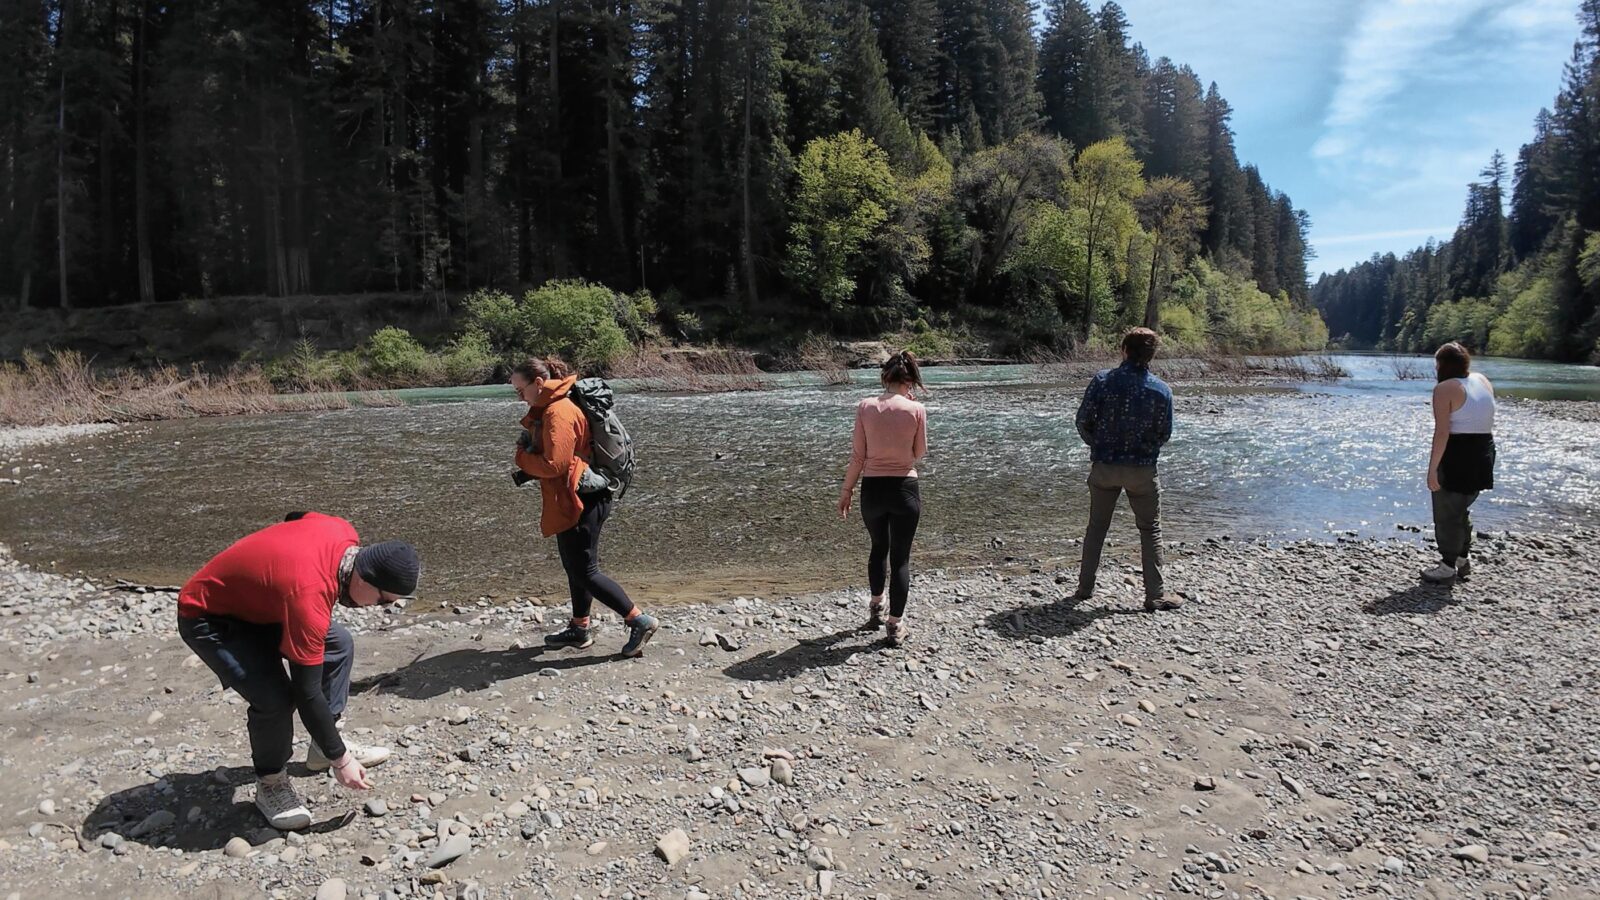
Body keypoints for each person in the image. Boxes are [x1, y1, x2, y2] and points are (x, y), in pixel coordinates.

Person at [177, 512, 416, 830]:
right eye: (383, 600)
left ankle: (323, 746)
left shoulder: (343, 532)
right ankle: (271, 784)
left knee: (339, 644)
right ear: (363, 578)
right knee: (275, 699)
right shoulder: (309, 597)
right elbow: (307, 692)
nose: (379, 607)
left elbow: (296, 517)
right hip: (209, 615)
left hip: (266, 603)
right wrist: (342, 762)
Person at [511, 357, 660, 656]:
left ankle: (638, 619)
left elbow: (555, 465)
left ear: (538, 384)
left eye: (520, 389)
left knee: (585, 571)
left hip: (582, 501)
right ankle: (580, 629)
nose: (519, 396)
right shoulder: (553, 406)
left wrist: (521, 458)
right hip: (580, 496)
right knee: (575, 568)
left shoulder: (558, 411)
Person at [1070, 327, 1183, 611]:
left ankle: (1084, 590)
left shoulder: (1102, 381)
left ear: (1124, 350)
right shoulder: (1162, 390)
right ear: (1152, 355)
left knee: (1097, 528)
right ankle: (1154, 595)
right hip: (1142, 470)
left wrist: (1098, 446)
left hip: (1105, 466)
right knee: (1150, 529)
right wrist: (1146, 450)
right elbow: (1165, 433)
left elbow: (1083, 420)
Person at [838, 350, 929, 647]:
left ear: (884, 377)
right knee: (901, 559)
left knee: (879, 548)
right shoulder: (916, 410)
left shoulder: (865, 406)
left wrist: (846, 491)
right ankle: (895, 626)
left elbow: (857, 457)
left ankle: (876, 608)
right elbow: (919, 454)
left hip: (872, 491)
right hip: (904, 489)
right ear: (911, 381)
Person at [1423, 342, 1496, 582]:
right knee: (1461, 507)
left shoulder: (1445, 389)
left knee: (1446, 512)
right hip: (1484, 451)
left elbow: (1442, 432)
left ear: (1442, 365)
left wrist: (1432, 469)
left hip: (1458, 453)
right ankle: (1462, 558)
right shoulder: (1481, 380)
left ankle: (1447, 565)